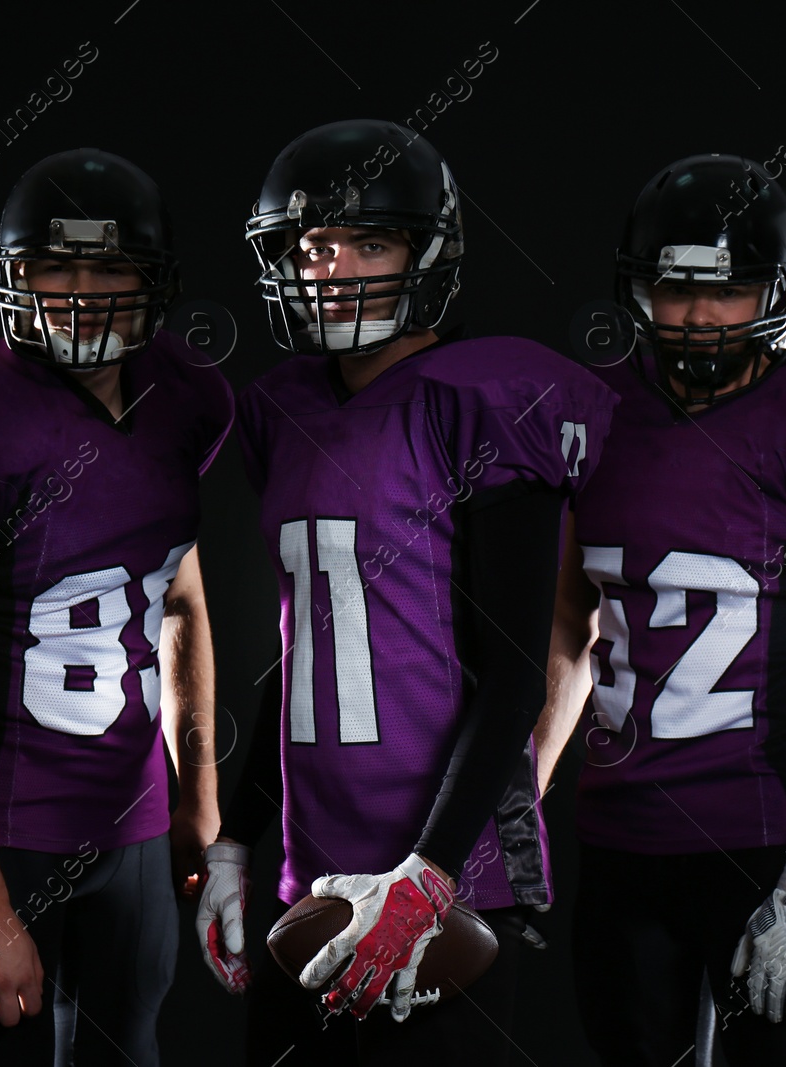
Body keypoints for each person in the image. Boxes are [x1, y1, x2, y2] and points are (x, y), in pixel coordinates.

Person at [192, 119, 618, 1065]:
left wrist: (429, 878)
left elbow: (512, 674)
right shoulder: (288, 411)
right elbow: (308, 654)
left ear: (427, 253)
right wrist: (236, 840)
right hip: (317, 877)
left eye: (369, 242)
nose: (334, 267)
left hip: (445, 881)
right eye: (312, 246)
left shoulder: (482, 398)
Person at [535, 154, 786, 1066]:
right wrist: (519, 795)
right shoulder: (585, 413)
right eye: (672, 289)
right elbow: (572, 629)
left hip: (762, 844)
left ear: (778, 290)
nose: (696, 316)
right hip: (616, 846)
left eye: (730, 291)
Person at [0, 147, 233, 1066]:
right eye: (51, 266)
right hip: (0, 830)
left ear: (155, 280)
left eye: (110, 265)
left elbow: (179, 596)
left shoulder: (184, 398)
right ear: (9, 277)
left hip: (132, 823)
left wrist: (199, 796)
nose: (80, 291)